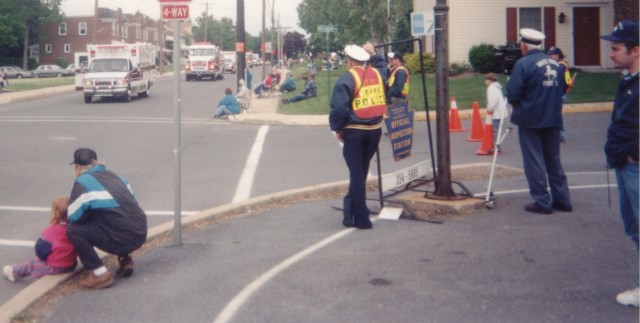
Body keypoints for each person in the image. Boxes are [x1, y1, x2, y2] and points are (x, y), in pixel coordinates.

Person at [506, 28, 572, 215]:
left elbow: (513, 94)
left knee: (534, 161)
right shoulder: (557, 64)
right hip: (553, 118)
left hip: (531, 120)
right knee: (554, 160)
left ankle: (542, 201)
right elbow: (563, 89)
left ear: (524, 45)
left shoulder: (523, 64)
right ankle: (562, 199)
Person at [66, 148, 148, 289]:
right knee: (114, 215)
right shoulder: (118, 177)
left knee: (74, 230)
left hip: (121, 239)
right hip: (140, 233)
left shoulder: (83, 182)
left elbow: (74, 216)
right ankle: (125, 259)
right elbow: (131, 204)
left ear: (78, 167)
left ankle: (100, 273)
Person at [600, 19, 639, 308]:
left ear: (635, 50)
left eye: (615, 48)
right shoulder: (628, 79)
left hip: (635, 165)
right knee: (633, 226)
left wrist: (634, 154)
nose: (611, 53)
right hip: (624, 164)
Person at [329, 45, 387, 230]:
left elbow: (339, 109)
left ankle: (361, 218)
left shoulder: (347, 78)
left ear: (350, 60)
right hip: (375, 130)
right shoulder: (378, 75)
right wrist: (374, 53)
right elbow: (384, 67)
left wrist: (338, 129)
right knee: (361, 171)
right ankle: (349, 211)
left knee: (356, 174)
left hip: (355, 131)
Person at [3, 197, 77, 282]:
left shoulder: (51, 231)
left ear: (55, 213)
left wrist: (44, 258)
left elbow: (40, 250)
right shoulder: (75, 227)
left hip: (57, 266)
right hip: (72, 264)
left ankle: (13, 271)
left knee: (32, 265)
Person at [548, 46, 573, 142]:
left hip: (559, 94)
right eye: (550, 54)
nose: (550, 56)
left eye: (552, 54)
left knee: (556, 114)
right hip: (557, 93)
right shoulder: (559, 65)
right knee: (555, 114)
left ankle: (561, 135)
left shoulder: (561, 66)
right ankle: (558, 134)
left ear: (558, 55)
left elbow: (563, 81)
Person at [485, 72, 507, 152]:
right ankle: (496, 146)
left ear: (489, 80)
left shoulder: (491, 88)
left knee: (495, 130)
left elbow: (492, 102)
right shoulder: (497, 87)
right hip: (501, 111)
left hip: (497, 112)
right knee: (496, 130)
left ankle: (496, 147)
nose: (485, 82)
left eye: (486, 80)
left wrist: (489, 109)